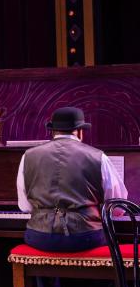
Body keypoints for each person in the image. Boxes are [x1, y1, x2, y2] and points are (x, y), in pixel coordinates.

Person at [18, 106, 127, 252]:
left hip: (40, 235)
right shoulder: (98, 157)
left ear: (53, 131)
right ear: (80, 132)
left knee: (45, 248)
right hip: (85, 237)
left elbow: (25, 207)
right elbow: (117, 206)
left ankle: (45, 274)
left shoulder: (28, 156)